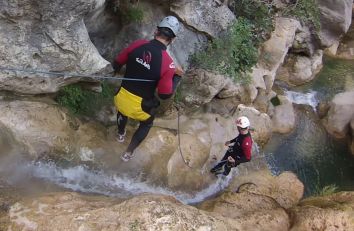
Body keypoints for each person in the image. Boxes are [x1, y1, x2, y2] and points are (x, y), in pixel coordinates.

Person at [112, 16, 184, 162]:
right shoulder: (168, 64)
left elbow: (116, 64)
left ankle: (120, 134)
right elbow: (164, 95)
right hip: (140, 108)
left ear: (156, 31)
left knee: (123, 107)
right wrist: (177, 77)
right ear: (173, 39)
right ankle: (128, 153)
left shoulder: (137, 45)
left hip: (120, 98)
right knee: (147, 123)